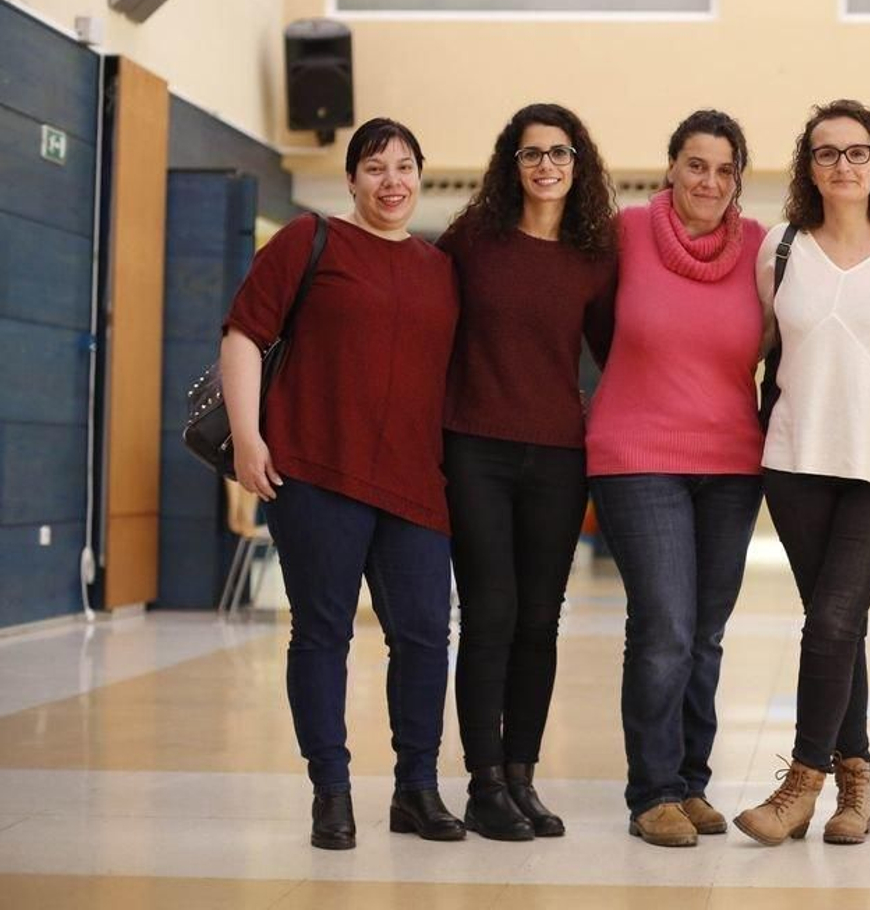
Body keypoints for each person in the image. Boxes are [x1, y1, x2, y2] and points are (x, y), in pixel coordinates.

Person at [220, 117, 462, 850]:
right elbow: (244, 335)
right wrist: (247, 436)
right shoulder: (308, 240)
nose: (393, 180)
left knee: (424, 637)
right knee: (322, 633)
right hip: (318, 469)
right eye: (375, 167)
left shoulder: (440, 268)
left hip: (416, 482)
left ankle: (416, 787)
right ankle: (331, 788)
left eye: (405, 166)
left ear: (421, 174)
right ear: (352, 179)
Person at [734, 99, 870, 847]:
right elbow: (757, 347)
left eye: (858, 152)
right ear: (809, 168)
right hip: (796, 464)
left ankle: (802, 781)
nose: (844, 165)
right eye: (827, 153)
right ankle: (856, 785)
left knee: (829, 619)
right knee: (840, 623)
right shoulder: (782, 247)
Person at [436, 103, 618, 841]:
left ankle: (521, 776)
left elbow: (619, 354)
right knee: (490, 613)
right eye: (532, 153)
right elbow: (422, 327)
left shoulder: (593, 254)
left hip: (557, 455)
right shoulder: (472, 241)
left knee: (541, 619)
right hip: (474, 446)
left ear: (581, 165)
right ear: (510, 164)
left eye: (561, 153)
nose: (547, 165)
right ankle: (483, 782)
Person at [585, 110, 766, 848]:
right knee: (664, 627)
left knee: (707, 633)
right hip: (638, 454)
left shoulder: (759, 246)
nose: (710, 182)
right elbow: (594, 320)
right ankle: (651, 790)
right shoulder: (625, 233)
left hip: (731, 462)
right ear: (670, 167)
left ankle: (691, 783)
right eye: (697, 165)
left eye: (725, 170)